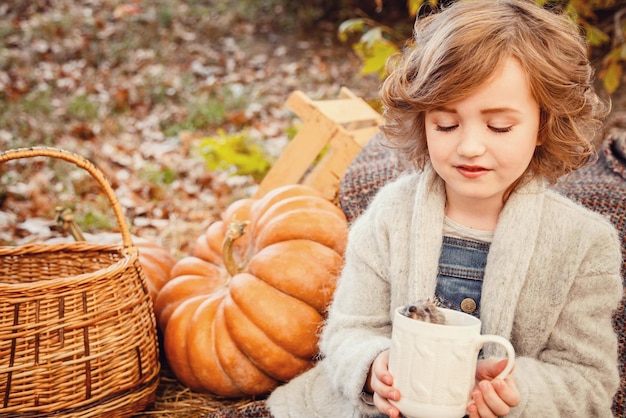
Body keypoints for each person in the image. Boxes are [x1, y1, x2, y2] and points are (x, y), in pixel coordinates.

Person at [266, 1, 623, 417]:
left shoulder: (584, 243)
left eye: (499, 126)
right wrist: (372, 367)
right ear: (423, 121)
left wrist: (517, 391)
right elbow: (349, 330)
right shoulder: (389, 216)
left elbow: (587, 377)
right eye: (446, 125)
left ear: (543, 125)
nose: (470, 146)